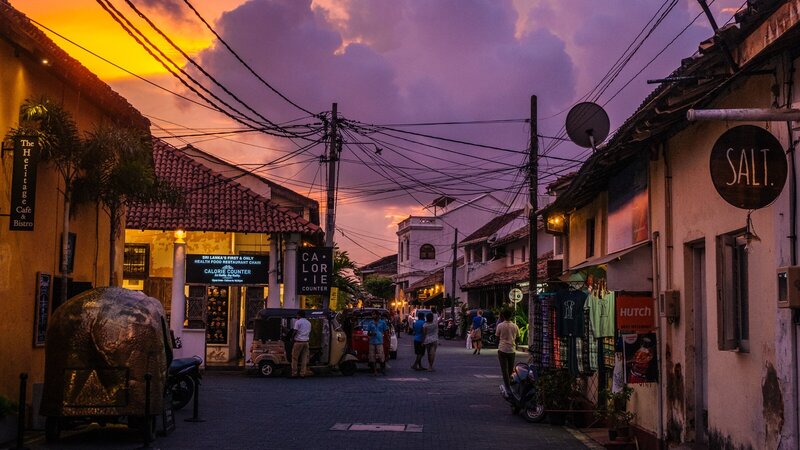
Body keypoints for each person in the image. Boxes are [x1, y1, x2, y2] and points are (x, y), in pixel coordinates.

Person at [495, 310, 520, 388]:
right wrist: (515, 344)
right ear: (511, 316)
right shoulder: (515, 326)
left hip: (502, 349)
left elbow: (497, 337)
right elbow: (518, 338)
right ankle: (510, 382)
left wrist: (498, 344)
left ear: (503, 316)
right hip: (511, 349)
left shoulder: (500, 325)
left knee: (504, 369)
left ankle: (507, 385)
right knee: (510, 368)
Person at [366, 311, 389, 375]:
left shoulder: (382, 322)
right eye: (373, 315)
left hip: (379, 341)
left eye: (374, 315)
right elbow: (368, 333)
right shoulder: (370, 323)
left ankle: (382, 369)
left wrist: (387, 340)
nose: (373, 316)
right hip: (372, 341)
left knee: (381, 355)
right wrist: (372, 333)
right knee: (372, 356)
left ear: (378, 315)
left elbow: (386, 331)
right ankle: (375, 371)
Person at [291, 310, 311, 378]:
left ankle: (294, 373)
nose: (297, 316)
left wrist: (292, 338)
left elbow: (295, 331)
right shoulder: (308, 323)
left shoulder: (298, 322)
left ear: (299, 315)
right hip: (306, 342)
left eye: (297, 315)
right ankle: (302, 373)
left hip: (299, 342)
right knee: (304, 358)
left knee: (295, 358)